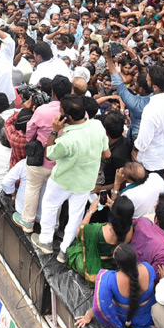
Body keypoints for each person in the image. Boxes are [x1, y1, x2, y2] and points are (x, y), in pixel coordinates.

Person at [36, 96, 108, 261]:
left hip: (62, 180)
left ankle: (45, 241)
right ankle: (64, 251)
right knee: (76, 214)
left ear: (66, 116)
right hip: (85, 182)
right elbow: (106, 153)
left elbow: (50, 153)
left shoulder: (67, 140)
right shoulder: (97, 125)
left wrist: (54, 130)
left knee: (50, 206)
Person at [75, 243, 156, 328]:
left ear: (117, 264)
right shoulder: (148, 268)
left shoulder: (109, 279)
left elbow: (101, 306)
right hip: (148, 317)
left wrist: (89, 316)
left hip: (125, 319)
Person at [66, 195, 134, 280]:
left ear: (113, 214)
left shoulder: (97, 230)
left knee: (77, 246)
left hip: (94, 268)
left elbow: (79, 233)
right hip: (111, 265)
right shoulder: (130, 230)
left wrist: (90, 211)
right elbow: (122, 220)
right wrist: (114, 207)